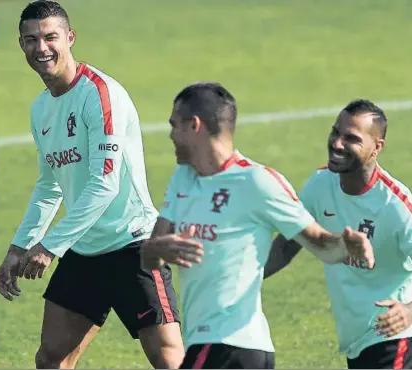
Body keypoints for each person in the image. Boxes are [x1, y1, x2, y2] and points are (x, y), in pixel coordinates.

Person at [0, 1, 184, 369]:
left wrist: (50, 246)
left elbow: (106, 183)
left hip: (134, 245)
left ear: (70, 38)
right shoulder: (41, 108)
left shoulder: (99, 94)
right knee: (51, 359)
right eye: (31, 39)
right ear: (21, 44)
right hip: (84, 249)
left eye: (51, 37)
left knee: (168, 360)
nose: (42, 48)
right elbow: (50, 184)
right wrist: (19, 245)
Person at [140, 82, 375, 369]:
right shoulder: (183, 177)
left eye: (175, 125)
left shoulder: (258, 182)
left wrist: (346, 245)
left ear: (194, 125)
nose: (171, 134)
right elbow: (149, 257)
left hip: (234, 344)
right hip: (209, 344)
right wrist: (160, 247)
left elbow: (318, 241)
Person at [264, 99, 412, 369]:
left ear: (377, 147)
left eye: (351, 138)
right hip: (358, 340)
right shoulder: (320, 185)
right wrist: (241, 279)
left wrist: (408, 311)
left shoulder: (397, 206)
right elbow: (286, 246)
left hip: (396, 336)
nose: (337, 143)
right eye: (335, 132)